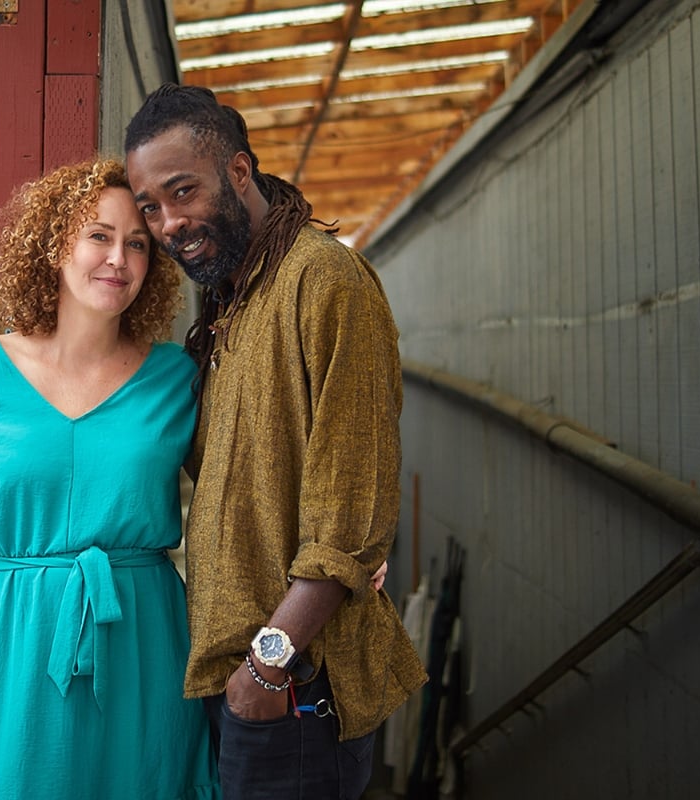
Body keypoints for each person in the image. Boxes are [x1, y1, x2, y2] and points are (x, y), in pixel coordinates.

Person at [124, 84, 428, 798]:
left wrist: (265, 669)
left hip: (292, 688)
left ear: (238, 171)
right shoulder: (234, 298)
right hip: (238, 682)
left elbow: (350, 515)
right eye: (151, 207)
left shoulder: (325, 282)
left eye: (183, 191)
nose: (170, 223)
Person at [0, 158, 220, 799]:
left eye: (137, 244)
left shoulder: (176, 377)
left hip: (142, 634)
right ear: (57, 244)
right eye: (99, 236)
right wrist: (31, 593)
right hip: (16, 635)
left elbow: (241, 481)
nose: (119, 258)